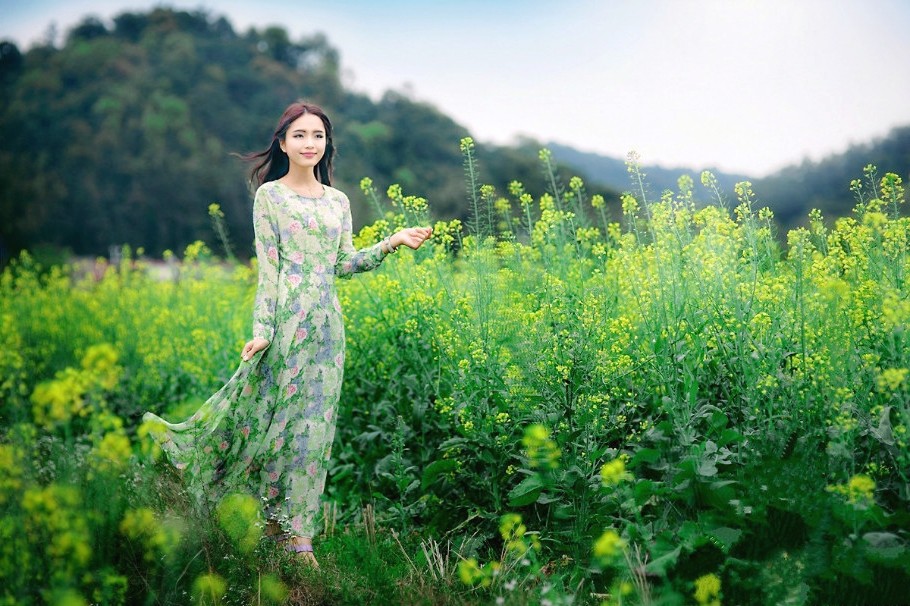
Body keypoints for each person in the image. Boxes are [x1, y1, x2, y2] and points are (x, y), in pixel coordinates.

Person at [143, 101, 432, 565]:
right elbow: (270, 272)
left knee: (313, 435)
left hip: (327, 332)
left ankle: (298, 539)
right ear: (282, 143)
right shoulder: (270, 198)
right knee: (271, 426)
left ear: (326, 144)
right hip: (286, 327)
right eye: (299, 135)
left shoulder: (339, 201)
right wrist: (262, 331)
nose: (309, 143)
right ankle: (242, 511)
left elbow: (344, 264)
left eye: (317, 135)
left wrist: (392, 242)